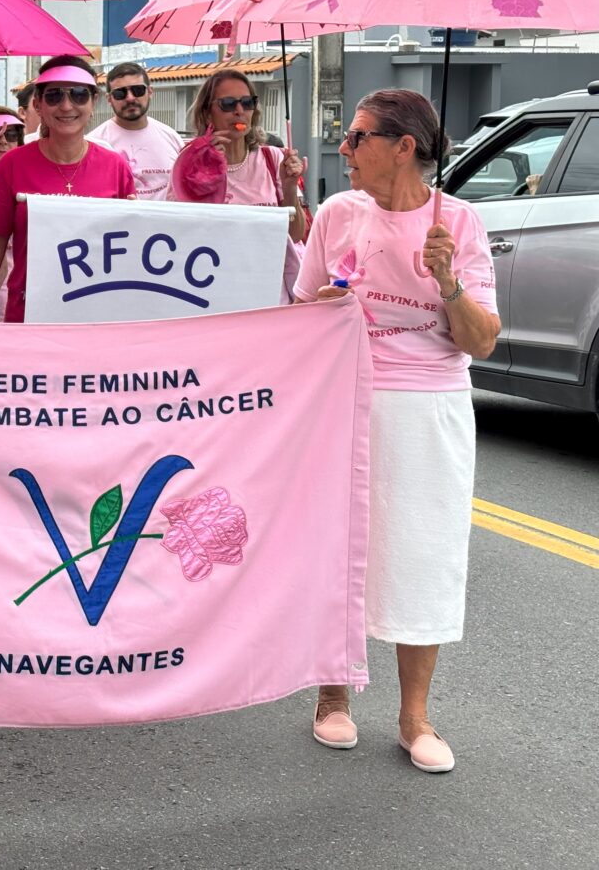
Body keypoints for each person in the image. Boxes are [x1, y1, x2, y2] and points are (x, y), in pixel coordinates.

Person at [296, 89, 500, 774]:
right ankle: (332, 698)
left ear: (403, 145)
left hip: (427, 404)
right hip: (344, 395)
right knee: (337, 544)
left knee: (420, 553)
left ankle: (415, 716)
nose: (345, 150)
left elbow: (481, 342)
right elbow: (302, 309)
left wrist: (447, 281)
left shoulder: (462, 224)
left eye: (357, 138)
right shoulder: (337, 213)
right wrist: (323, 306)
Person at [0, 57, 135, 323]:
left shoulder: (115, 167)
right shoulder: (12, 165)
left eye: (79, 95)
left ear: (94, 103)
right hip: (28, 316)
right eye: (54, 96)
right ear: (38, 105)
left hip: (97, 317)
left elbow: (128, 251)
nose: (66, 106)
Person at [173, 69, 307, 242]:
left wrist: (289, 189)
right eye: (228, 103)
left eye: (247, 102)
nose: (239, 111)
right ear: (207, 114)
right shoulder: (189, 163)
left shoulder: (273, 158)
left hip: (266, 267)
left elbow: (295, 236)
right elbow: (181, 232)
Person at [88, 62, 183, 200]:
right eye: (120, 93)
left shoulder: (171, 137)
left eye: (138, 90)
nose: (130, 98)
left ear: (150, 92)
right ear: (109, 99)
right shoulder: (95, 143)